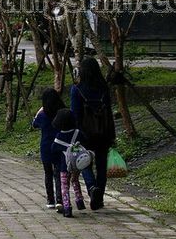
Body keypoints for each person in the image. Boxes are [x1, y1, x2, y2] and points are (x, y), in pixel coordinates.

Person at [71, 56, 116, 209]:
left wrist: (76, 134)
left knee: (85, 162)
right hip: (103, 132)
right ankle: (100, 198)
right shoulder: (104, 88)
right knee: (102, 166)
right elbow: (108, 113)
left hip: (85, 133)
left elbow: (74, 114)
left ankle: (91, 188)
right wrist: (112, 134)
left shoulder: (77, 89)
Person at [52, 109, 92, 218]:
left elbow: (53, 151)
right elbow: (86, 142)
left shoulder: (59, 137)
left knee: (64, 186)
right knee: (75, 180)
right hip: (77, 165)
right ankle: (79, 200)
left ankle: (67, 207)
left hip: (64, 166)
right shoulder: (78, 133)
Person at [32, 88, 65, 209]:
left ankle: (50, 199)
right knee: (58, 173)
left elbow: (34, 124)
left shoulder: (42, 114)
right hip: (60, 145)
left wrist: (39, 111)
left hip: (46, 147)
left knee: (48, 173)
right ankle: (60, 199)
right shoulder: (62, 113)